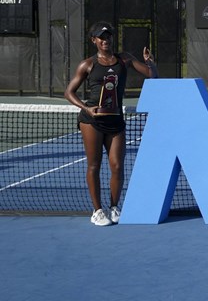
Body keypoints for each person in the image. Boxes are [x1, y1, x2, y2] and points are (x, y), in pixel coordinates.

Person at [65, 21, 158, 226]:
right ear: (94, 40)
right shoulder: (87, 64)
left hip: (115, 120)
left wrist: (150, 62)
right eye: (101, 37)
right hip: (92, 121)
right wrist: (85, 108)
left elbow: (152, 75)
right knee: (94, 165)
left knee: (117, 165)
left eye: (108, 37)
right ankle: (97, 211)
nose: (105, 40)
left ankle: (114, 207)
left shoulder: (124, 59)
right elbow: (68, 92)